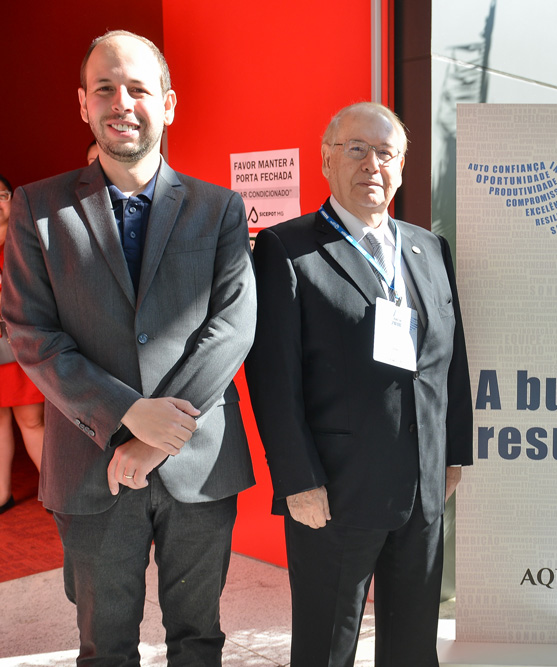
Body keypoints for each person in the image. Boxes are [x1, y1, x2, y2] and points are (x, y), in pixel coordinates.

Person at [1, 30, 256, 664]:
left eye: (138, 88)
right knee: (104, 646)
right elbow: (31, 333)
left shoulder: (219, 207)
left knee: (198, 641)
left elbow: (232, 326)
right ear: (82, 104)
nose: (122, 102)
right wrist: (124, 415)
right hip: (89, 467)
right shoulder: (37, 208)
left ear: (168, 103)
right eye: (106, 88)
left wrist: (150, 436)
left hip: (199, 465)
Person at [245, 101, 473, 667]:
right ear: (327, 159)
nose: (373, 164)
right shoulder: (286, 250)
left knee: (413, 645)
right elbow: (273, 380)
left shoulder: (428, 248)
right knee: (327, 645)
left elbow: (453, 360)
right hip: (335, 494)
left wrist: (453, 456)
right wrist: (298, 481)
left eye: (387, 153)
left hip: (422, 488)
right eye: (358, 149)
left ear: (400, 168)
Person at [0, 173, 44, 514]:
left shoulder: (28, 238)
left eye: (2, 194)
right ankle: (2, 495)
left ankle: (56, 491)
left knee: (31, 421)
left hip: (19, 348)